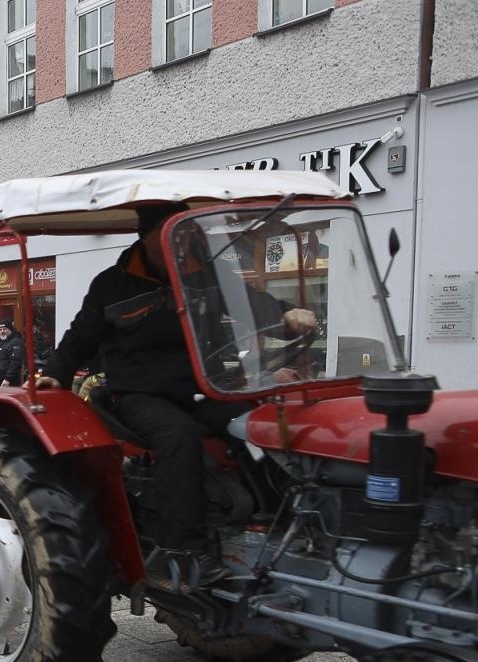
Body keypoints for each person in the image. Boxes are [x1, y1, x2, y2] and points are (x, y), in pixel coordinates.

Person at [38, 201, 317, 590]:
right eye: (177, 231)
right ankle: (182, 550)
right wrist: (55, 374)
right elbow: (81, 337)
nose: (186, 241)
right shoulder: (112, 284)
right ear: (151, 235)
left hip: (204, 387)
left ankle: (277, 522)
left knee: (256, 424)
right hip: (139, 393)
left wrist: (289, 317)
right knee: (177, 433)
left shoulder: (205, 275)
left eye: (188, 232)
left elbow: (255, 306)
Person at [0, 320, 26, 386]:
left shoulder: (15, 342)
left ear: (10, 330)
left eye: (5, 329)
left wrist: (8, 379)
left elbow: (15, 362)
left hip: (7, 383)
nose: (2, 331)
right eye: (0, 329)